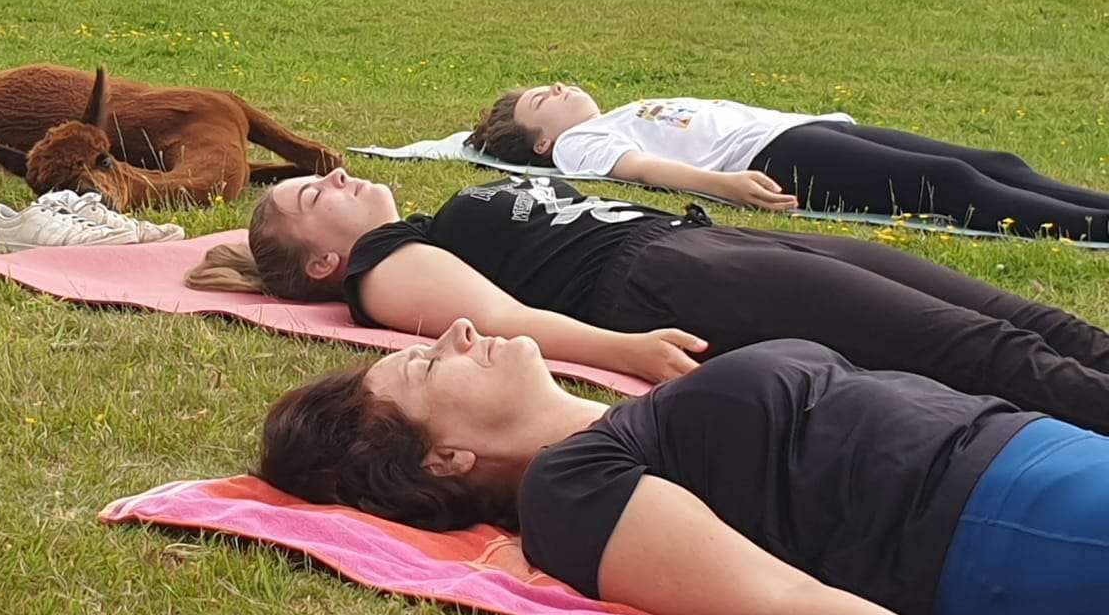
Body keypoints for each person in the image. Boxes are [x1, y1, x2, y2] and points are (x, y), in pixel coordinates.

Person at [258, 318, 1109, 615]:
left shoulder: (632, 422)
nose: (457, 331)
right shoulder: (571, 491)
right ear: (444, 459)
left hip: (1035, 460)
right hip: (1005, 527)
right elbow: (774, 600)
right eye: (426, 364)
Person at [184, 169, 1109, 430]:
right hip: (668, 279)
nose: (337, 177)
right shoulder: (383, 266)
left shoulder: (427, 217)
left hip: (707, 244)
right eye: (315, 197)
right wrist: (619, 351)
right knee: (978, 349)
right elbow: (499, 321)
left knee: (1021, 322)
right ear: (321, 264)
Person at [468, 84, 1109, 241]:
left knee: (995, 160)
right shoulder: (581, 145)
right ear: (543, 142)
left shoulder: (625, 105)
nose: (554, 88)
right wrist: (725, 185)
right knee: (951, 186)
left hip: (801, 132)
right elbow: (639, 170)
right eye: (539, 101)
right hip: (771, 158)